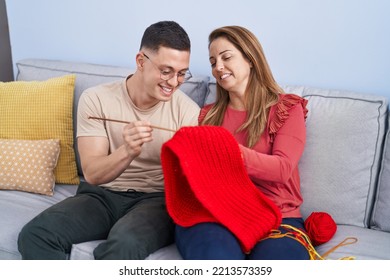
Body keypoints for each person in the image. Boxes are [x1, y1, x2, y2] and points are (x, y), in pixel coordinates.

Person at [17, 20, 200, 260]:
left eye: (181, 74)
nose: (174, 82)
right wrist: (128, 151)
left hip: (156, 200)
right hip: (101, 195)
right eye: (166, 71)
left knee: (125, 244)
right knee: (35, 235)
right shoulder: (96, 99)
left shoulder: (188, 113)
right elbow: (92, 173)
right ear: (141, 61)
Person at [174, 25, 310, 260]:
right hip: (218, 215)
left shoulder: (285, 108)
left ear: (250, 58)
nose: (218, 67)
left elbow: (282, 169)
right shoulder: (206, 116)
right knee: (214, 257)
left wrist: (230, 152)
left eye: (226, 57)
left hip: (278, 217)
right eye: (213, 61)